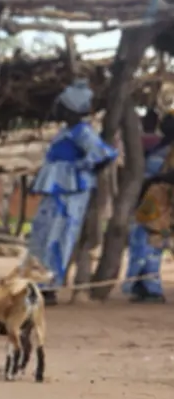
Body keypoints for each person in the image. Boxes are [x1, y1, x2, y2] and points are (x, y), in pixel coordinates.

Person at [28, 81, 119, 302]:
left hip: (70, 193)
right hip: (58, 190)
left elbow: (104, 154)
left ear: (70, 108)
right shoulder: (66, 131)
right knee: (42, 234)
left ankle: (48, 286)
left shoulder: (83, 132)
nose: (57, 109)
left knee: (58, 236)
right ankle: (36, 280)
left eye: (61, 106)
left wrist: (79, 169)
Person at [126, 113, 174, 303]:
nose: (166, 124)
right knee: (140, 242)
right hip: (149, 201)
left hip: (164, 202)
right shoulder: (159, 146)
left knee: (154, 244)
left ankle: (152, 288)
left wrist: (156, 179)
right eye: (166, 120)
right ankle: (140, 285)